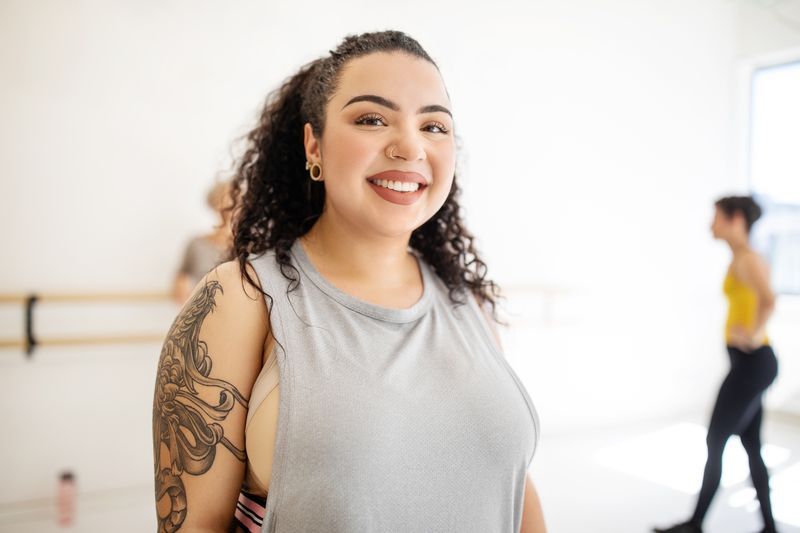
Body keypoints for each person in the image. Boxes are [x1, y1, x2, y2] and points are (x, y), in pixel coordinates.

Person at [152, 30, 546, 533]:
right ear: (313, 144)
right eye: (372, 119)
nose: (410, 145)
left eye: (434, 125)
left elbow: (514, 490)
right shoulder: (240, 299)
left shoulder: (469, 305)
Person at [654, 196, 779, 533]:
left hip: (753, 363)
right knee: (751, 445)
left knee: (716, 441)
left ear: (736, 219)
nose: (711, 225)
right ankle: (769, 526)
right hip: (752, 363)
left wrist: (751, 333)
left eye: (717, 218)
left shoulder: (748, 259)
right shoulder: (741, 258)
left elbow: (769, 299)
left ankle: (695, 524)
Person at [172, 180, 233, 305]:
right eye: (224, 200)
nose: (229, 206)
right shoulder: (196, 244)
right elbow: (180, 284)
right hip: (204, 311)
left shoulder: (250, 246)